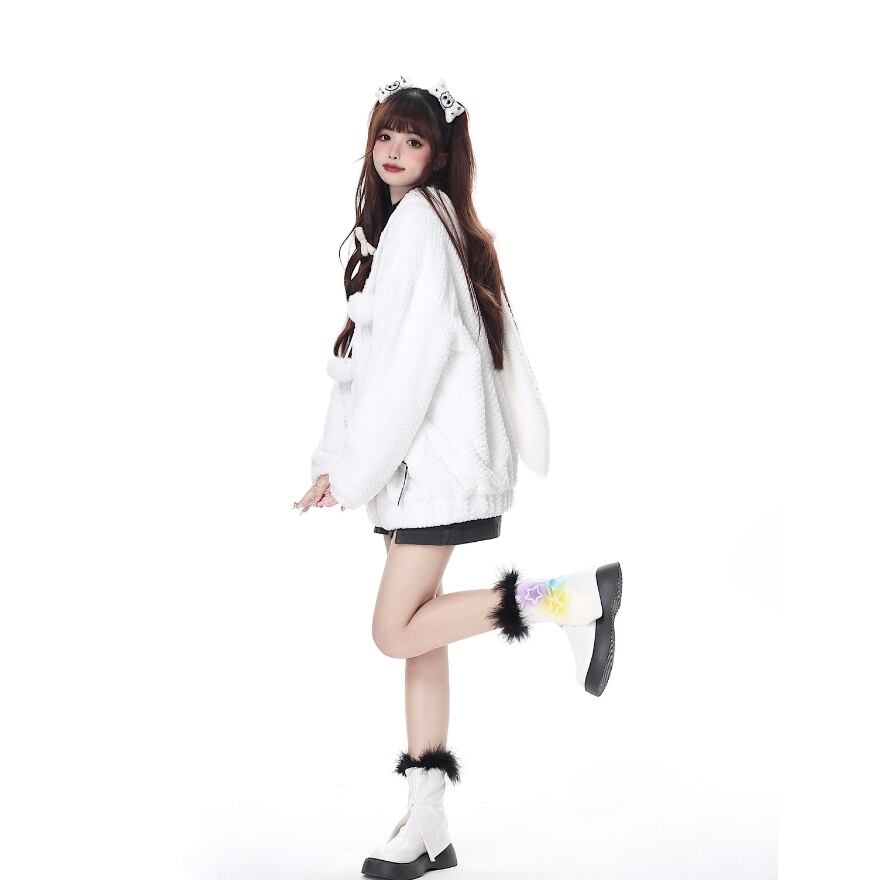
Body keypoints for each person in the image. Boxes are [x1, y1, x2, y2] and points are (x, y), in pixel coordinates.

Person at [294, 75, 623, 879]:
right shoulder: (411, 225)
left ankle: (567, 599)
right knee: (422, 636)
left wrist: (356, 469)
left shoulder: (417, 224)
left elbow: (406, 373)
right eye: (386, 135)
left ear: (437, 154)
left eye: (413, 140)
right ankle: (428, 822)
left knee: (393, 631)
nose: (395, 150)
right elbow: (366, 366)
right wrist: (335, 465)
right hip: (418, 471)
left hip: (429, 471)